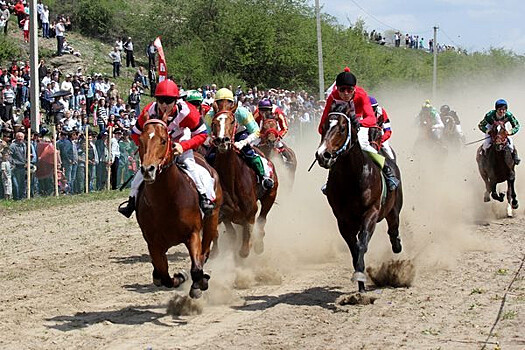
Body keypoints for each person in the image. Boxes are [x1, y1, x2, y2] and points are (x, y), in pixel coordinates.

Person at [118, 79, 216, 218]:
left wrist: (184, 146)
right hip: (158, 148)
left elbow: (202, 134)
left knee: (191, 167)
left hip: (179, 143)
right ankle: (132, 202)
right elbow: (135, 134)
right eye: (160, 100)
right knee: (140, 175)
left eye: (168, 101)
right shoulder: (148, 111)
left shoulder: (187, 112)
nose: (164, 104)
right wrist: (148, 148)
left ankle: (204, 198)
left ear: (176, 100)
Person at [318, 67, 399, 191]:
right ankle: (330, 181)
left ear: (354, 89)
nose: (345, 93)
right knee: (334, 151)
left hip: (359, 125)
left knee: (365, 146)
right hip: (341, 128)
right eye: (342, 89)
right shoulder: (333, 97)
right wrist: (327, 138)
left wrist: (358, 123)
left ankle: (387, 171)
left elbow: (371, 119)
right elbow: (323, 122)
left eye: (349, 90)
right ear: (337, 89)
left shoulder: (361, 94)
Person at [204, 88, 274, 190]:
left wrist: (243, 142)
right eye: (220, 103)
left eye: (228, 102)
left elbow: (256, 131)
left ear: (232, 104)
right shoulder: (210, 115)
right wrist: (211, 140)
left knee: (249, 153)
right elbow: (206, 133)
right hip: (219, 137)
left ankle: (264, 177)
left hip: (239, 135)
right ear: (215, 104)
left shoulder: (242, 112)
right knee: (208, 157)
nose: (224, 105)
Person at [478, 99, 520, 165]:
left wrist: (511, 132)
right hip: (491, 126)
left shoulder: (509, 115)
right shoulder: (490, 115)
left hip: (502, 126)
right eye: (499, 109)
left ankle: (515, 157)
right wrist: (488, 131)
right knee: (486, 143)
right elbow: (481, 125)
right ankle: (483, 158)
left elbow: (517, 125)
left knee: (511, 143)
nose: (502, 111)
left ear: (506, 109)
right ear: (496, 109)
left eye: (504, 109)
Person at [369, 96, 394, 160]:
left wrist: (381, 140)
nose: (370, 111)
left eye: (373, 109)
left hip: (379, 134)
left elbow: (388, 130)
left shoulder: (381, 112)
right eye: (369, 109)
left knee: (387, 148)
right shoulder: (359, 113)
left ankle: (392, 166)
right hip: (365, 134)